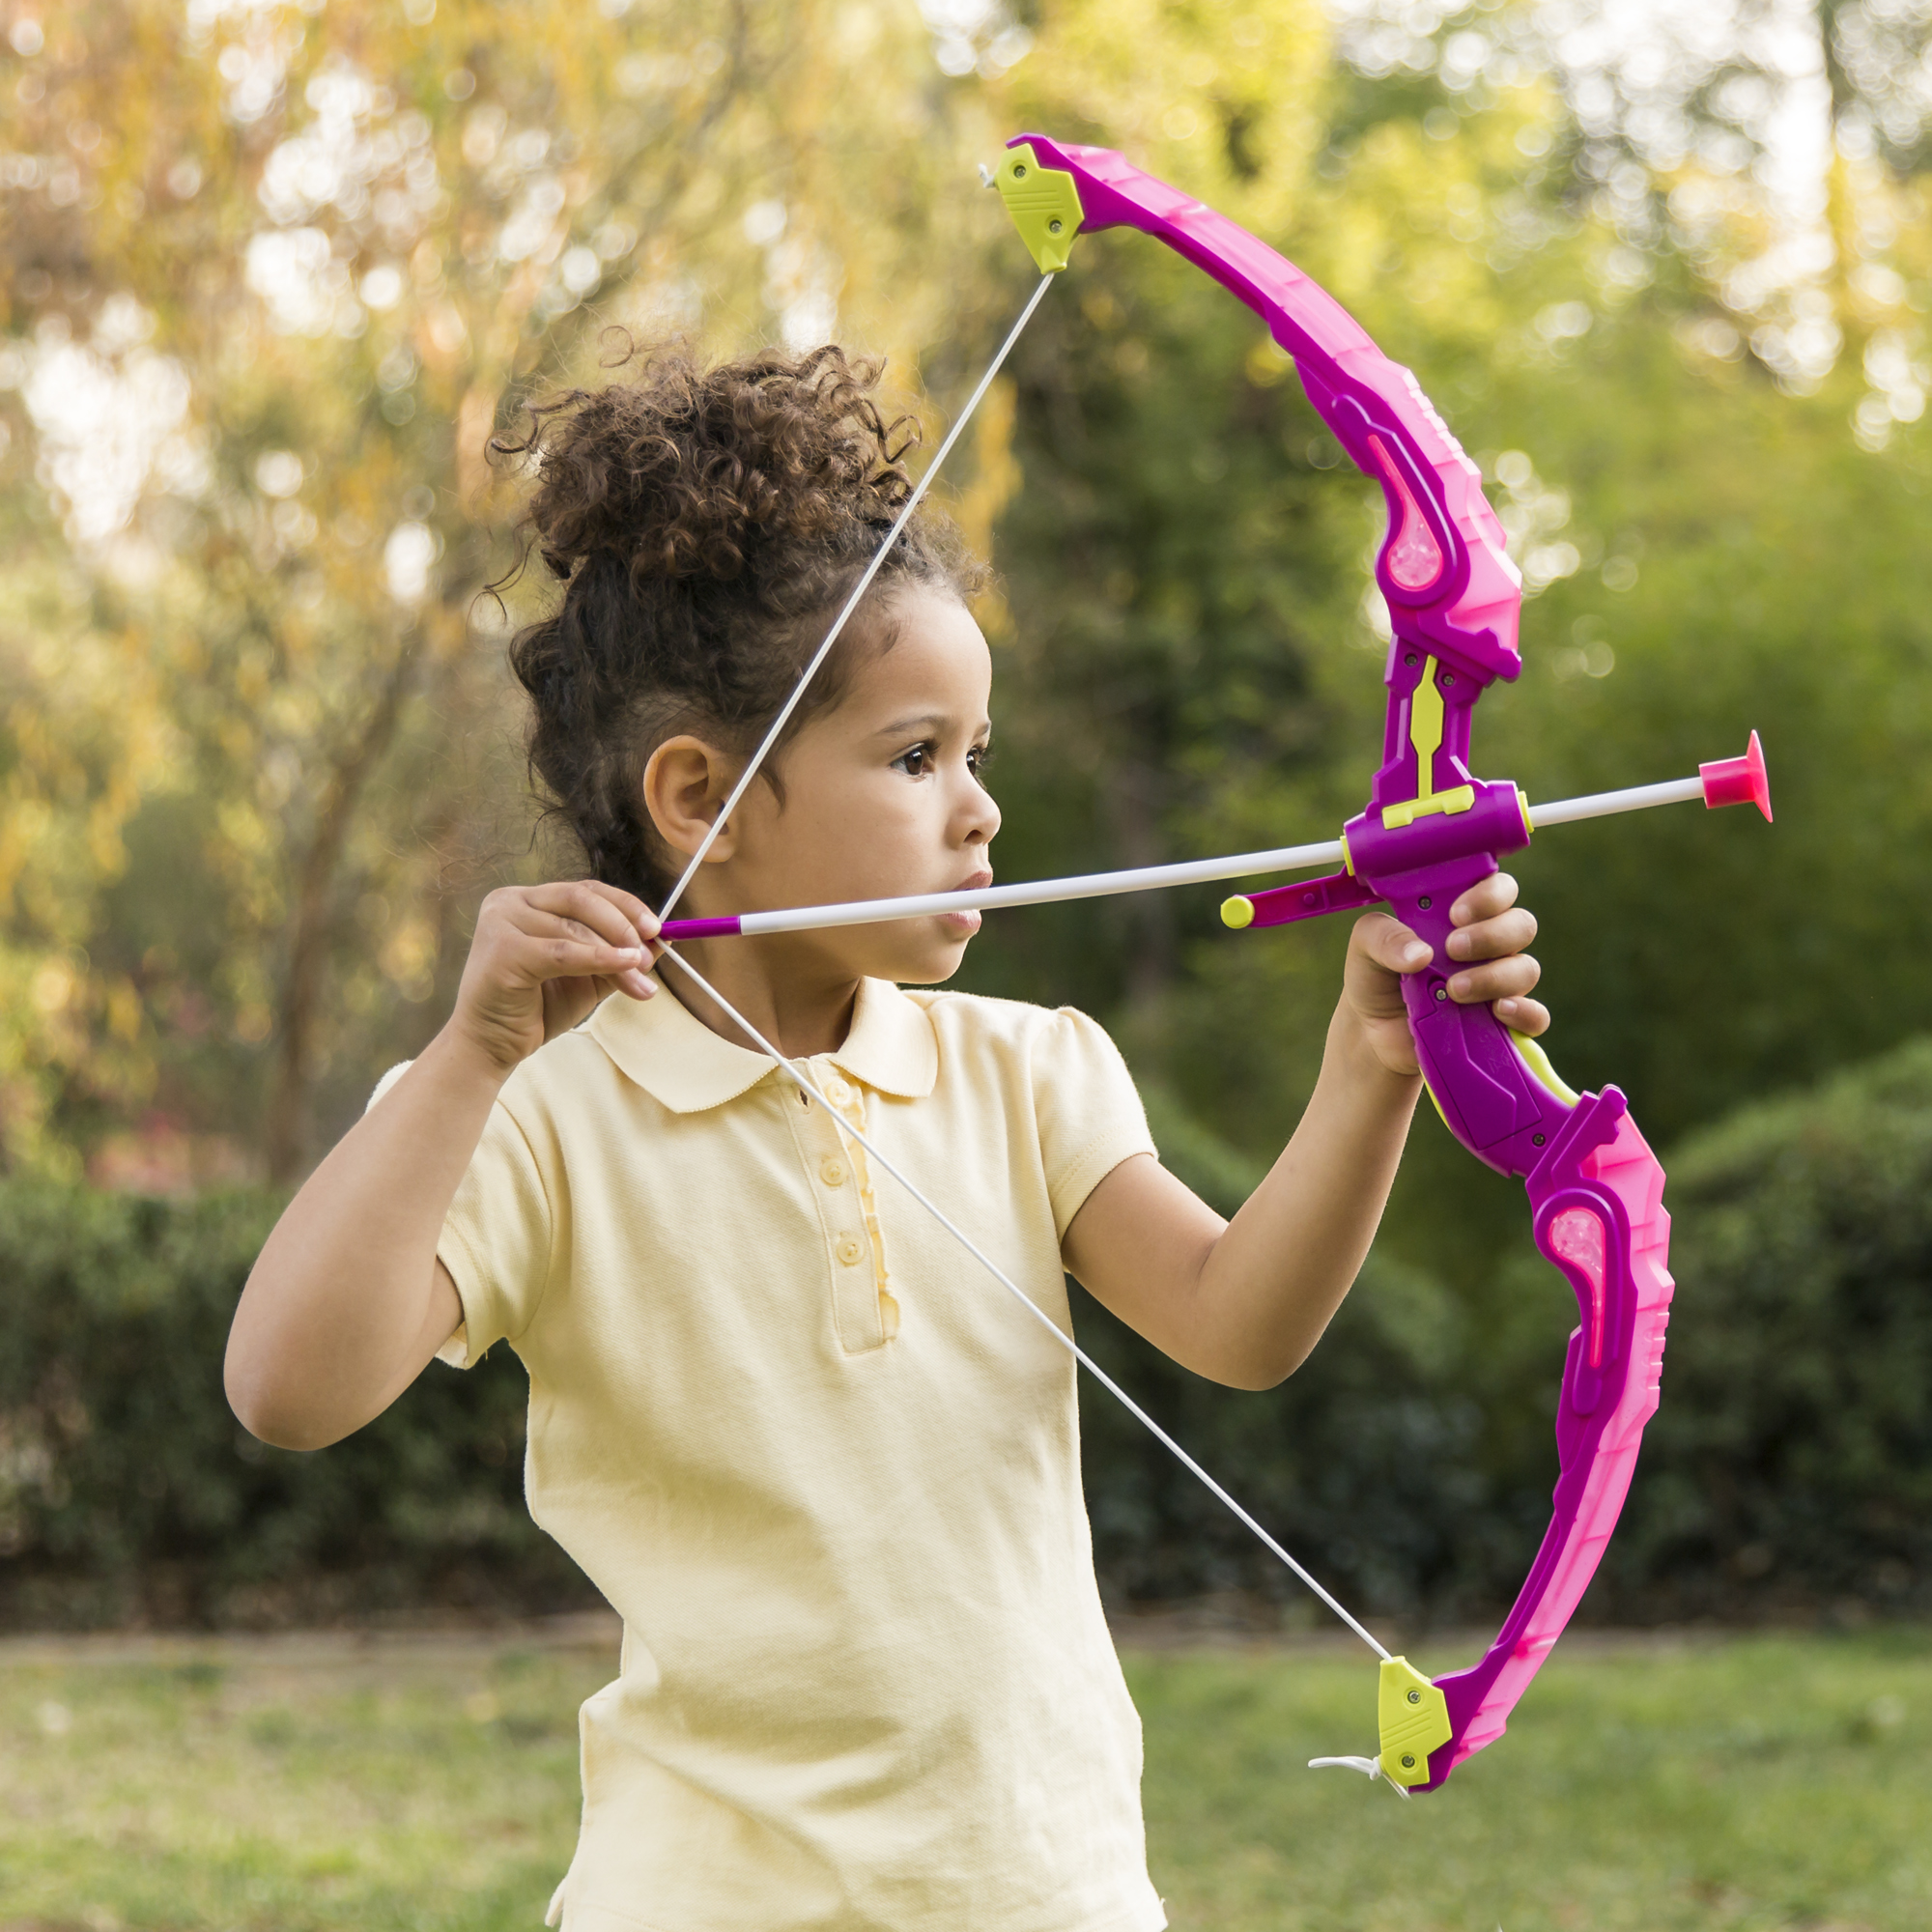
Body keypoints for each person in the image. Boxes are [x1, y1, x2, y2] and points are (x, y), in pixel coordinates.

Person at [224, 343, 1547, 1932]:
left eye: (975, 756)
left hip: (1046, 1890)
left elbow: (1239, 1323)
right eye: (918, 758)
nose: (980, 809)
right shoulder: (535, 1107)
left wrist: (1372, 1064)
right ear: (700, 798)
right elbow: (290, 1389)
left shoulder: (1030, 1071)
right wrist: (469, 1054)